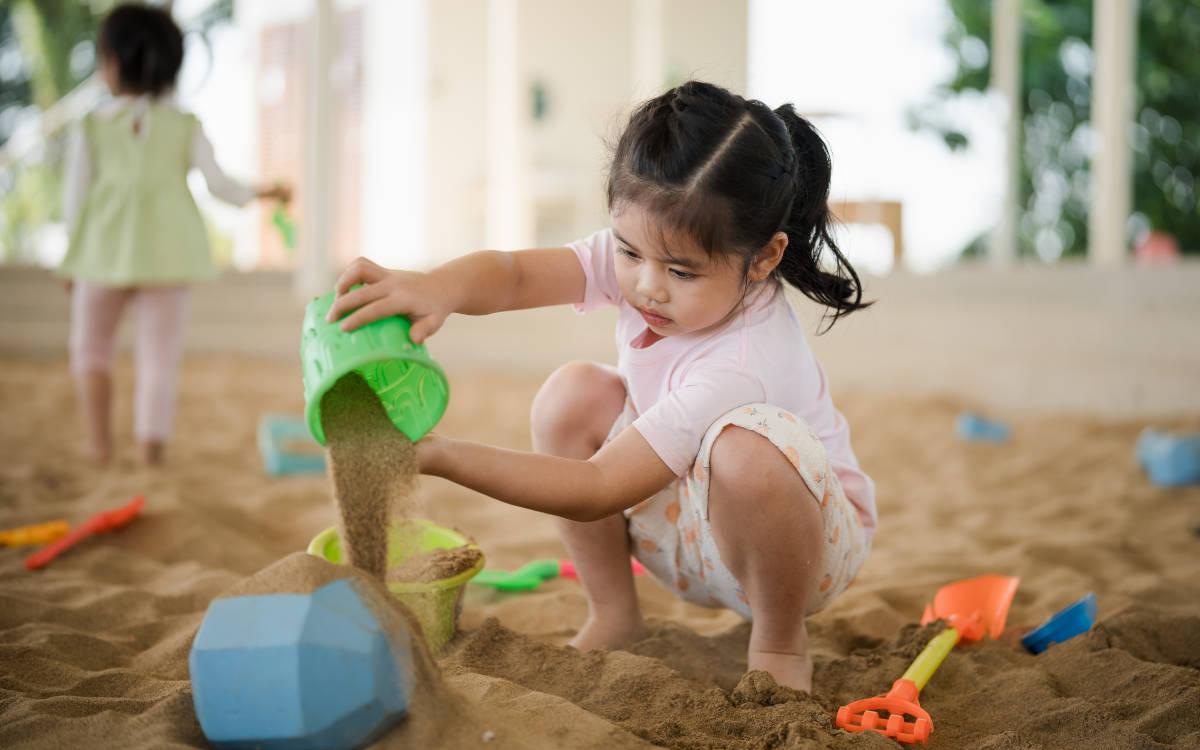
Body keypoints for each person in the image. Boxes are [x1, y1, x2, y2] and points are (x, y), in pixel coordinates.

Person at [328, 80, 876, 692]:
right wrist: (438, 288)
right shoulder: (652, 251)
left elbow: (599, 486)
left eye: (681, 271)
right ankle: (614, 613)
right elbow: (513, 277)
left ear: (764, 259)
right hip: (688, 530)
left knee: (748, 450)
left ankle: (779, 643)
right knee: (574, 393)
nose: (647, 287)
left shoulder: (743, 361)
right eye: (628, 252)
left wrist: (442, 455)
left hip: (804, 555)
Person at [59, 3, 290, 466]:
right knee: (159, 357)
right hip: (168, 255)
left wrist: (72, 258)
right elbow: (220, 185)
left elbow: (75, 199)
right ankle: (150, 453)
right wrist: (265, 192)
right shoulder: (185, 124)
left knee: (90, 348)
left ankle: (99, 445)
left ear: (110, 63)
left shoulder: (90, 127)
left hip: (102, 255)